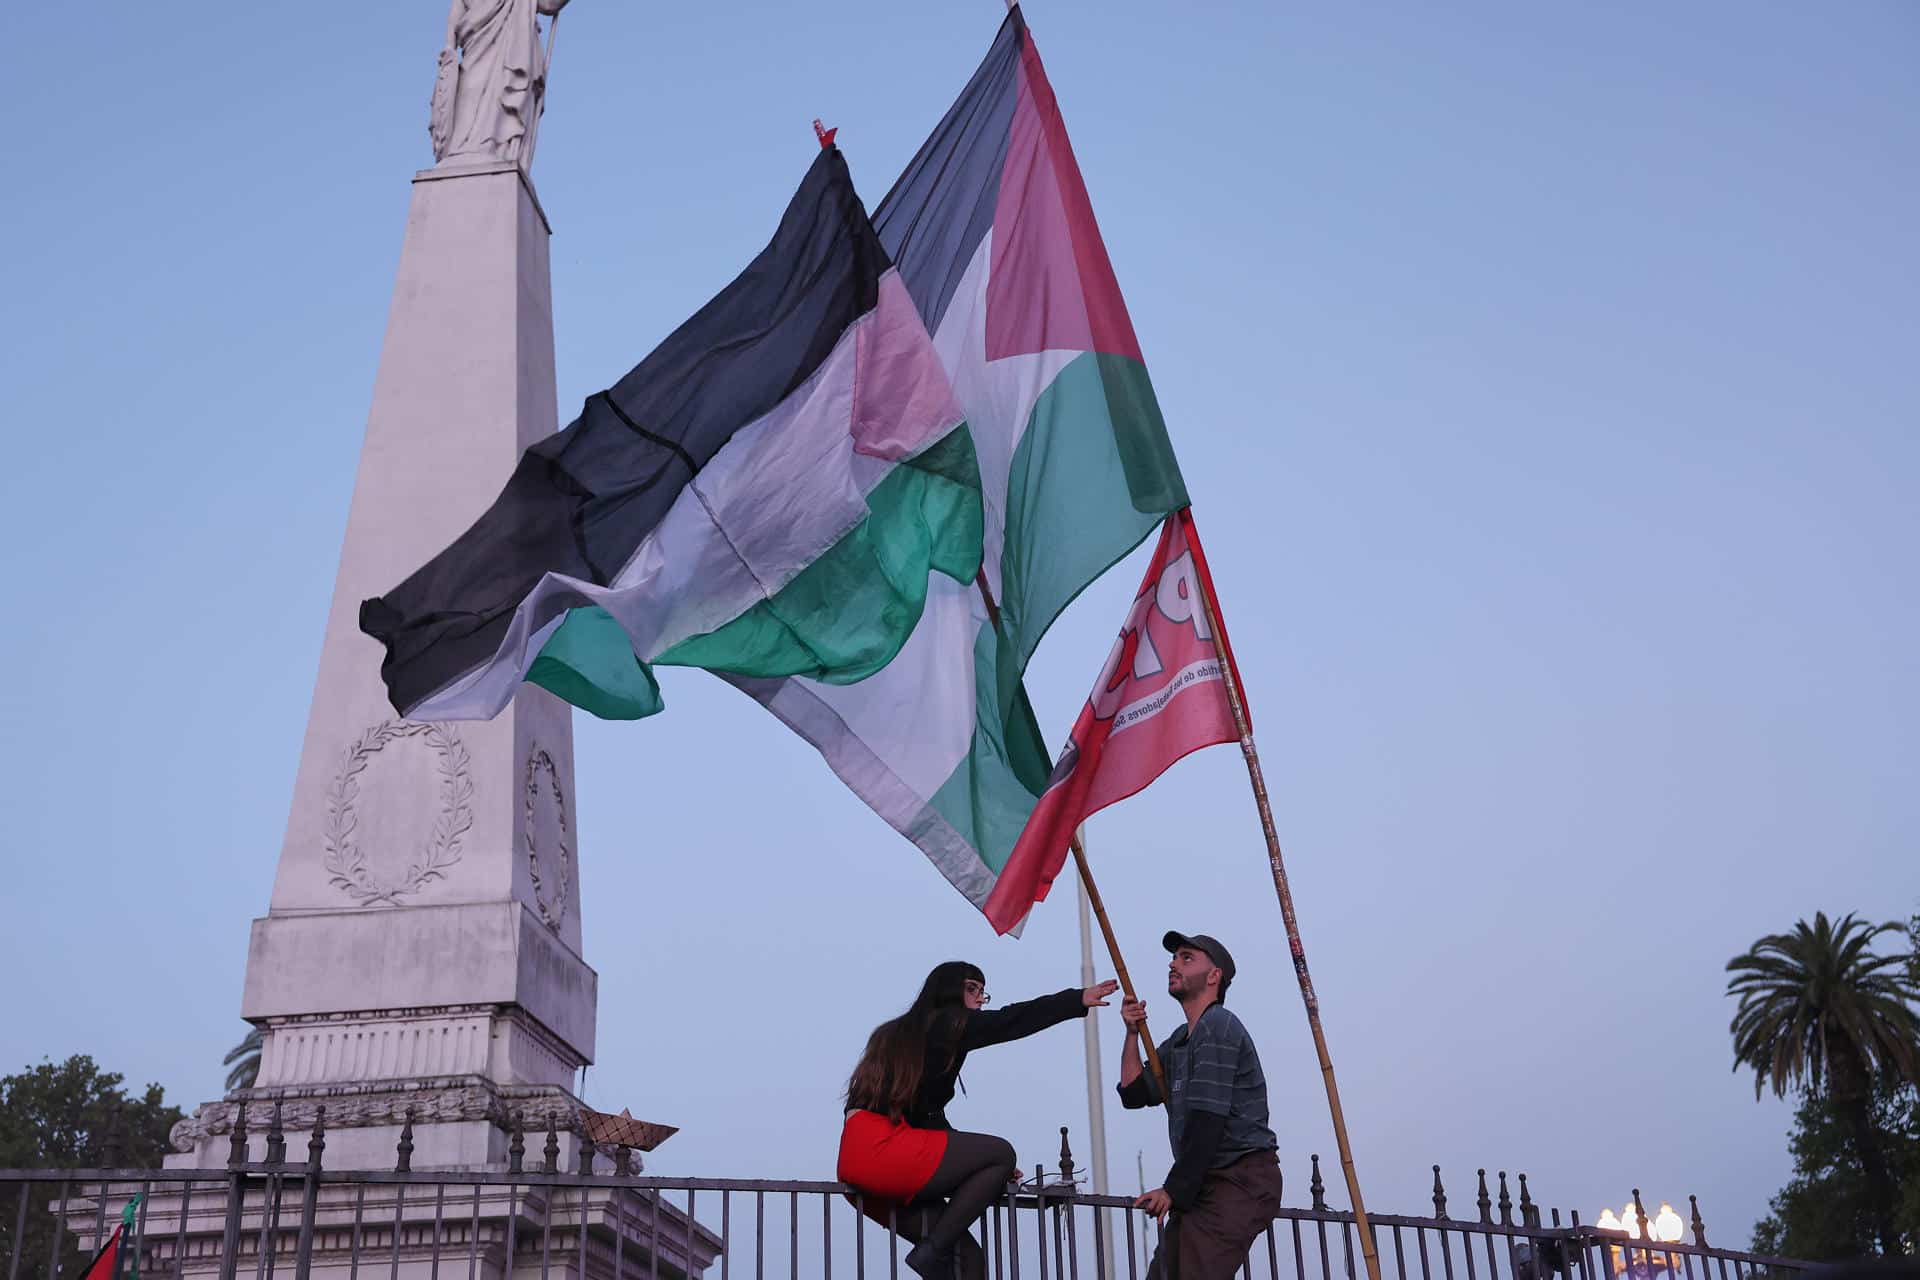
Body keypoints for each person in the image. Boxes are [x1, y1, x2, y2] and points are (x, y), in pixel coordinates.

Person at [839, 961, 1118, 1280]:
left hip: (861, 1158)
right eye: (972, 988)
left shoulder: (896, 1035)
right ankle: (928, 1254)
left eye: (983, 992)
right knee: (1000, 1152)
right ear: (946, 989)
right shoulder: (945, 1023)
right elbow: (1010, 1020)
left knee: (967, 1257)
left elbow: (923, 1120)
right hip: (883, 1149)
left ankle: (932, 1253)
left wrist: (973, 1164)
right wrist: (1075, 999)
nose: (979, 998)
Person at [1118, 931, 1282, 1280]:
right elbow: (1133, 1093)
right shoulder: (1180, 1039)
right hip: (1204, 1178)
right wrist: (1132, 1033)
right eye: (1174, 957)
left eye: (1186, 957)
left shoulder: (1218, 1025)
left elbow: (1209, 1120)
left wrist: (1173, 1189)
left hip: (1239, 1178)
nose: (1173, 963)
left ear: (1213, 976)